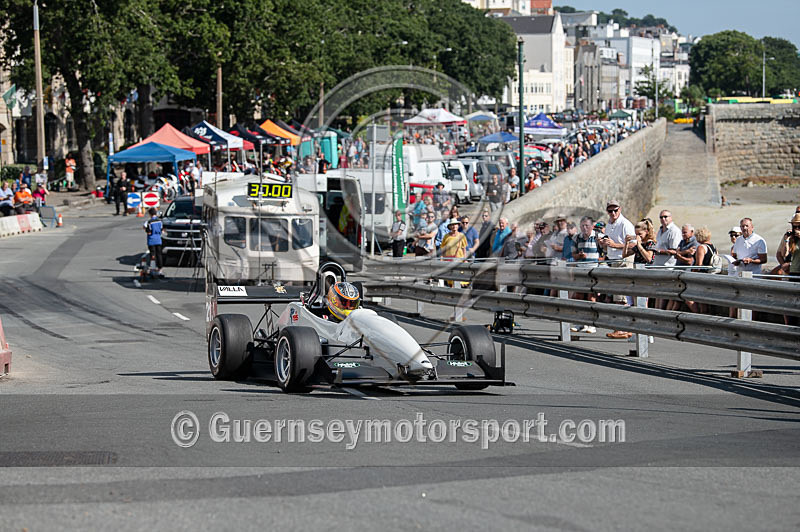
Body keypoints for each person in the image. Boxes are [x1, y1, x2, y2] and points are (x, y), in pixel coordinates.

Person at [600, 200, 635, 339]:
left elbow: (633, 245)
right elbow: (609, 245)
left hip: (624, 261)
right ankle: (621, 327)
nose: (613, 213)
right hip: (613, 261)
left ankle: (622, 328)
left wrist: (614, 245)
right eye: (610, 211)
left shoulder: (625, 224)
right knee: (617, 296)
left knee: (623, 297)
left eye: (615, 210)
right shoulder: (609, 224)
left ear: (620, 209)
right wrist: (604, 244)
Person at [730, 217, 768, 318]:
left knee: (752, 302)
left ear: (752, 227)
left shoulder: (759, 240)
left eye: (747, 226)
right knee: (738, 300)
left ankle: (753, 323)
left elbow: (764, 260)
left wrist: (751, 261)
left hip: (754, 274)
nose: (744, 228)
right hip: (740, 273)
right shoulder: (738, 241)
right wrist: (737, 261)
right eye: (742, 226)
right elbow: (737, 256)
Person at [686, 227, 717, 314]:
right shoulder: (713, 247)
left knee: (690, 298)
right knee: (705, 301)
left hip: (701, 277)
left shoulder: (701, 247)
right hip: (710, 276)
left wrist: (692, 273)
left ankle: (698, 315)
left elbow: (699, 265)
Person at [781, 213, 800, 325]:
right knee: (792, 303)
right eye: (794, 227)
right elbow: (785, 255)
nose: (796, 229)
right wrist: (787, 241)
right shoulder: (793, 240)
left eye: (799, 227)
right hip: (794, 272)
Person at [144, 207, 165, 278]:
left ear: (150, 214)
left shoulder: (150, 222)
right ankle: (160, 270)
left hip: (151, 240)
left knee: (153, 255)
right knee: (159, 254)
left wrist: (145, 229)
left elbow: (149, 232)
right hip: (158, 240)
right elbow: (162, 230)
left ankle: (153, 269)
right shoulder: (160, 221)